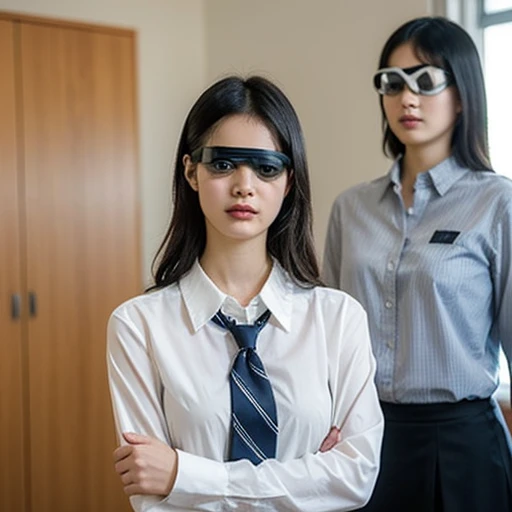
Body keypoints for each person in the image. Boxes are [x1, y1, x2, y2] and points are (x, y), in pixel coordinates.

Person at [107, 75, 383, 512]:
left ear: (289, 181)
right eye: (222, 164)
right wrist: (308, 476)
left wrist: (184, 474)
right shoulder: (138, 326)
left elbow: (355, 479)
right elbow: (151, 497)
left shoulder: (339, 319)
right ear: (191, 172)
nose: (244, 185)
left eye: (266, 167)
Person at [323, 16, 512, 512]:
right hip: (364, 439)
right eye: (392, 82)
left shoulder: (497, 204)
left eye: (426, 81)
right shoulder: (351, 208)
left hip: (463, 447)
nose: (407, 98)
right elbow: (327, 339)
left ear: (463, 94)